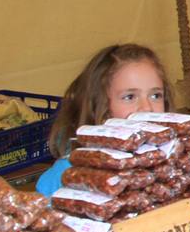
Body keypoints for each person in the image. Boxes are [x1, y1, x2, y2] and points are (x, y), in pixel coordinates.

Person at [37, 43, 174, 196]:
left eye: (155, 95)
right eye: (129, 97)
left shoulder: (175, 164)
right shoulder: (67, 174)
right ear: (101, 108)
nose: (147, 107)